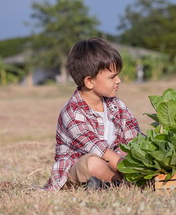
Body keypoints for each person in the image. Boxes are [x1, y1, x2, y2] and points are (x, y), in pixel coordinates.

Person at [45, 37, 143, 191]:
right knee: (93, 163)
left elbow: (133, 135)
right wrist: (128, 169)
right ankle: (123, 183)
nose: (118, 80)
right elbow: (98, 149)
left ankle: (108, 184)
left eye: (118, 75)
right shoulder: (72, 112)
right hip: (78, 170)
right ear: (89, 81)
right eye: (112, 77)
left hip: (115, 165)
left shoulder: (117, 105)